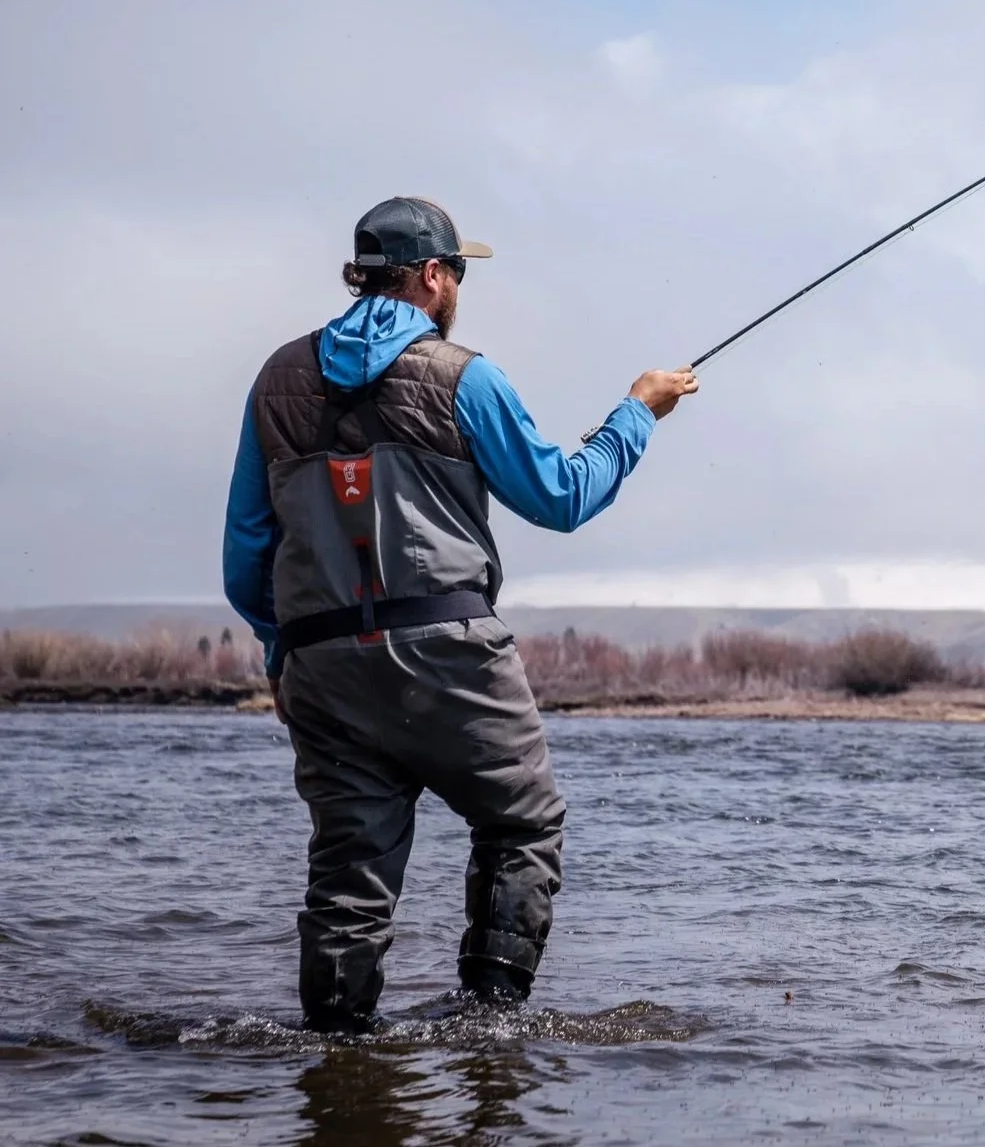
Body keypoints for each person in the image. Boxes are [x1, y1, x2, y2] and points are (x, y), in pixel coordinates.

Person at [220, 197, 698, 1033]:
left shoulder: (275, 381)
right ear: (434, 278)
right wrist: (635, 414)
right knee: (523, 824)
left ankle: (335, 1063)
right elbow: (560, 496)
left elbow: (244, 561)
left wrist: (286, 649)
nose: (459, 287)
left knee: (347, 880)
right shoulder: (463, 376)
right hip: (452, 654)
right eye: (458, 273)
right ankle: (489, 1032)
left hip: (321, 664)